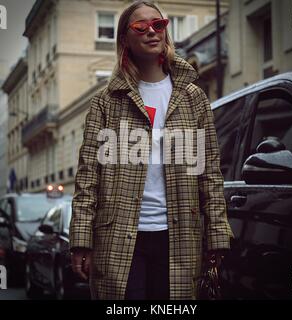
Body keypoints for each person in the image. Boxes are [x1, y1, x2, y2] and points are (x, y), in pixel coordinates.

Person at [69, 0, 233, 300]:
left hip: (181, 235)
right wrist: (81, 240)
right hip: (118, 236)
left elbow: (209, 171)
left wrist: (217, 235)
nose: (151, 31)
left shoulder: (192, 96)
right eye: (140, 26)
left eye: (158, 24)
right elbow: (87, 178)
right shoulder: (106, 102)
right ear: (125, 39)